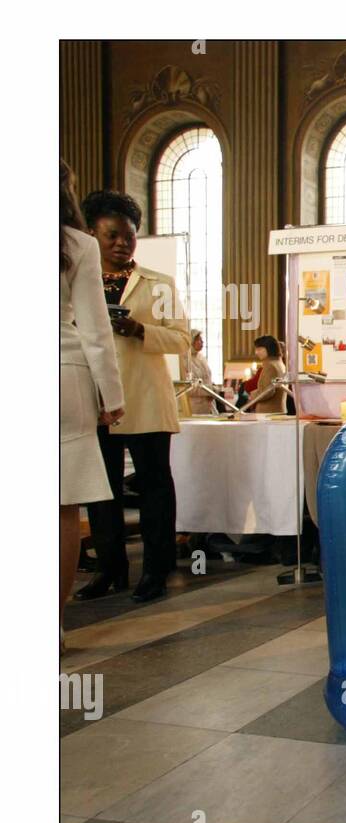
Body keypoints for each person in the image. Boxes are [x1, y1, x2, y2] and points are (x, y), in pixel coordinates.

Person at [75, 190, 190, 603]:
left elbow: (182, 340)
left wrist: (140, 330)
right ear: (91, 234)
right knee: (101, 490)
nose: (122, 243)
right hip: (95, 400)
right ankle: (110, 569)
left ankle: (156, 573)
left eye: (129, 236)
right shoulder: (76, 281)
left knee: (156, 486)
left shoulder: (160, 285)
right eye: (112, 236)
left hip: (145, 397)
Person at [60, 161, 125, 643]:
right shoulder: (76, 243)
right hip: (63, 374)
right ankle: (52, 625)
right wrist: (112, 395)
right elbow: (95, 330)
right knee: (62, 507)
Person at [241, 335, 288, 413]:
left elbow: (268, 391)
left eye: (259, 349)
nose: (256, 352)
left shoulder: (270, 366)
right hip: (277, 410)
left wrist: (252, 395)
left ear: (269, 349)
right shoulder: (279, 363)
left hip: (268, 412)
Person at [181, 328, 216, 414]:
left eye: (201, 339)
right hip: (195, 407)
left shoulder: (201, 358)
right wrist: (209, 390)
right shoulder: (184, 360)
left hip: (209, 405)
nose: (202, 342)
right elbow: (189, 387)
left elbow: (207, 378)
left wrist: (213, 389)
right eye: (199, 340)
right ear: (191, 341)